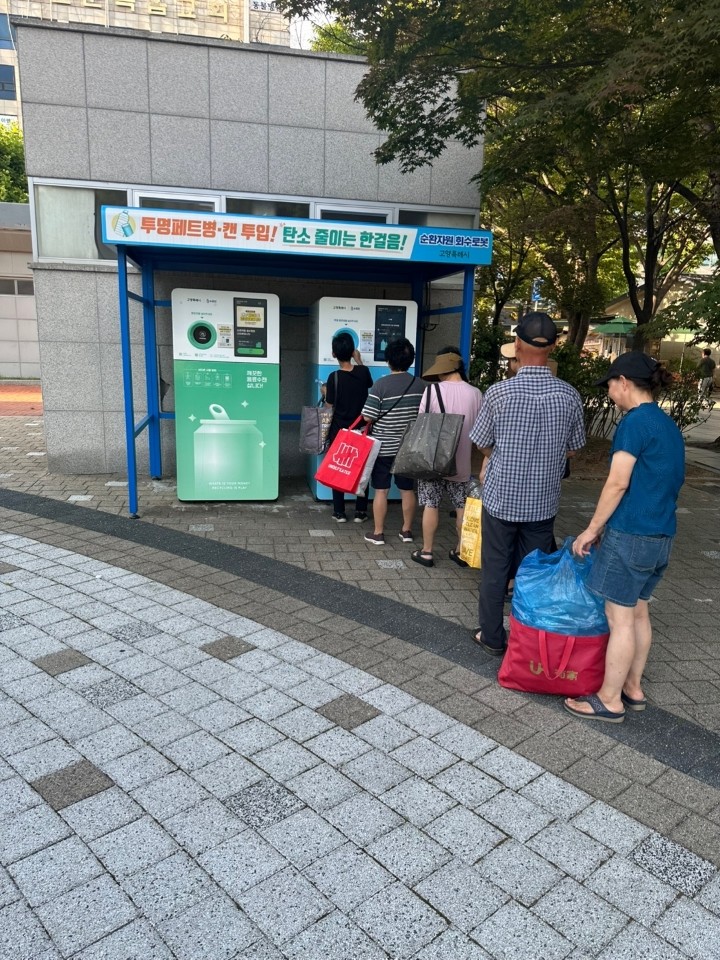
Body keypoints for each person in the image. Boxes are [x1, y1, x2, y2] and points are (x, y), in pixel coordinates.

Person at [565, 352, 685, 722]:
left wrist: (592, 529)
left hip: (632, 534)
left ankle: (609, 700)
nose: (609, 393)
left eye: (610, 385)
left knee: (619, 618)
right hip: (661, 535)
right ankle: (633, 689)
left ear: (624, 383)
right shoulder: (666, 424)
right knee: (638, 611)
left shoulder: (634, 423)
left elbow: (618, 483)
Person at [469, 312, 585, 655]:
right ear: (553, 347)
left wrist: (503, 454)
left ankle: (492, 636)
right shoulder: (569, 395)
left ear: (517, 344)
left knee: (495, 570)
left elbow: (482, 443)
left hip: (501, 498)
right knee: (534, 573)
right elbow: (574, 448)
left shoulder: (498, 393)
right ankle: (528, 641)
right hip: (542, 502)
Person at [410, 350, 483, 567]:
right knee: (461, 505)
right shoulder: (476, 393)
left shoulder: (432, 390)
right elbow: (480, 430)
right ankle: (461, 551)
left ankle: (427, 552)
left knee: (431, 504)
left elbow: (422, 422)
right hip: (461, 462)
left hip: (433, 460)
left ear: (443, 370)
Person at [361, 337, 426, 545]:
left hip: (383, 448)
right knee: (407, 489)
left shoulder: (381, 385)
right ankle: (406, 531)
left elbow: (368, 417)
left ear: (388, 360)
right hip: (409, 448)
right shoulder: (421, 385)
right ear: (411, 360)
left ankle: (378, 533)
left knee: (381, 489)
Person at [324, 332, 373, 523]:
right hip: (361, 430)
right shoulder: (363, 372)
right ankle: (361, 512)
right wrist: (359, 360)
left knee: (338, 468)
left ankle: (339, 512)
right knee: (362, 469)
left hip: (339, 432)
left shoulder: (333, 377)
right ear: (352, 351)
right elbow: (369, 383)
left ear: (334, 354)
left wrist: (325, 393)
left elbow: (329, 406)